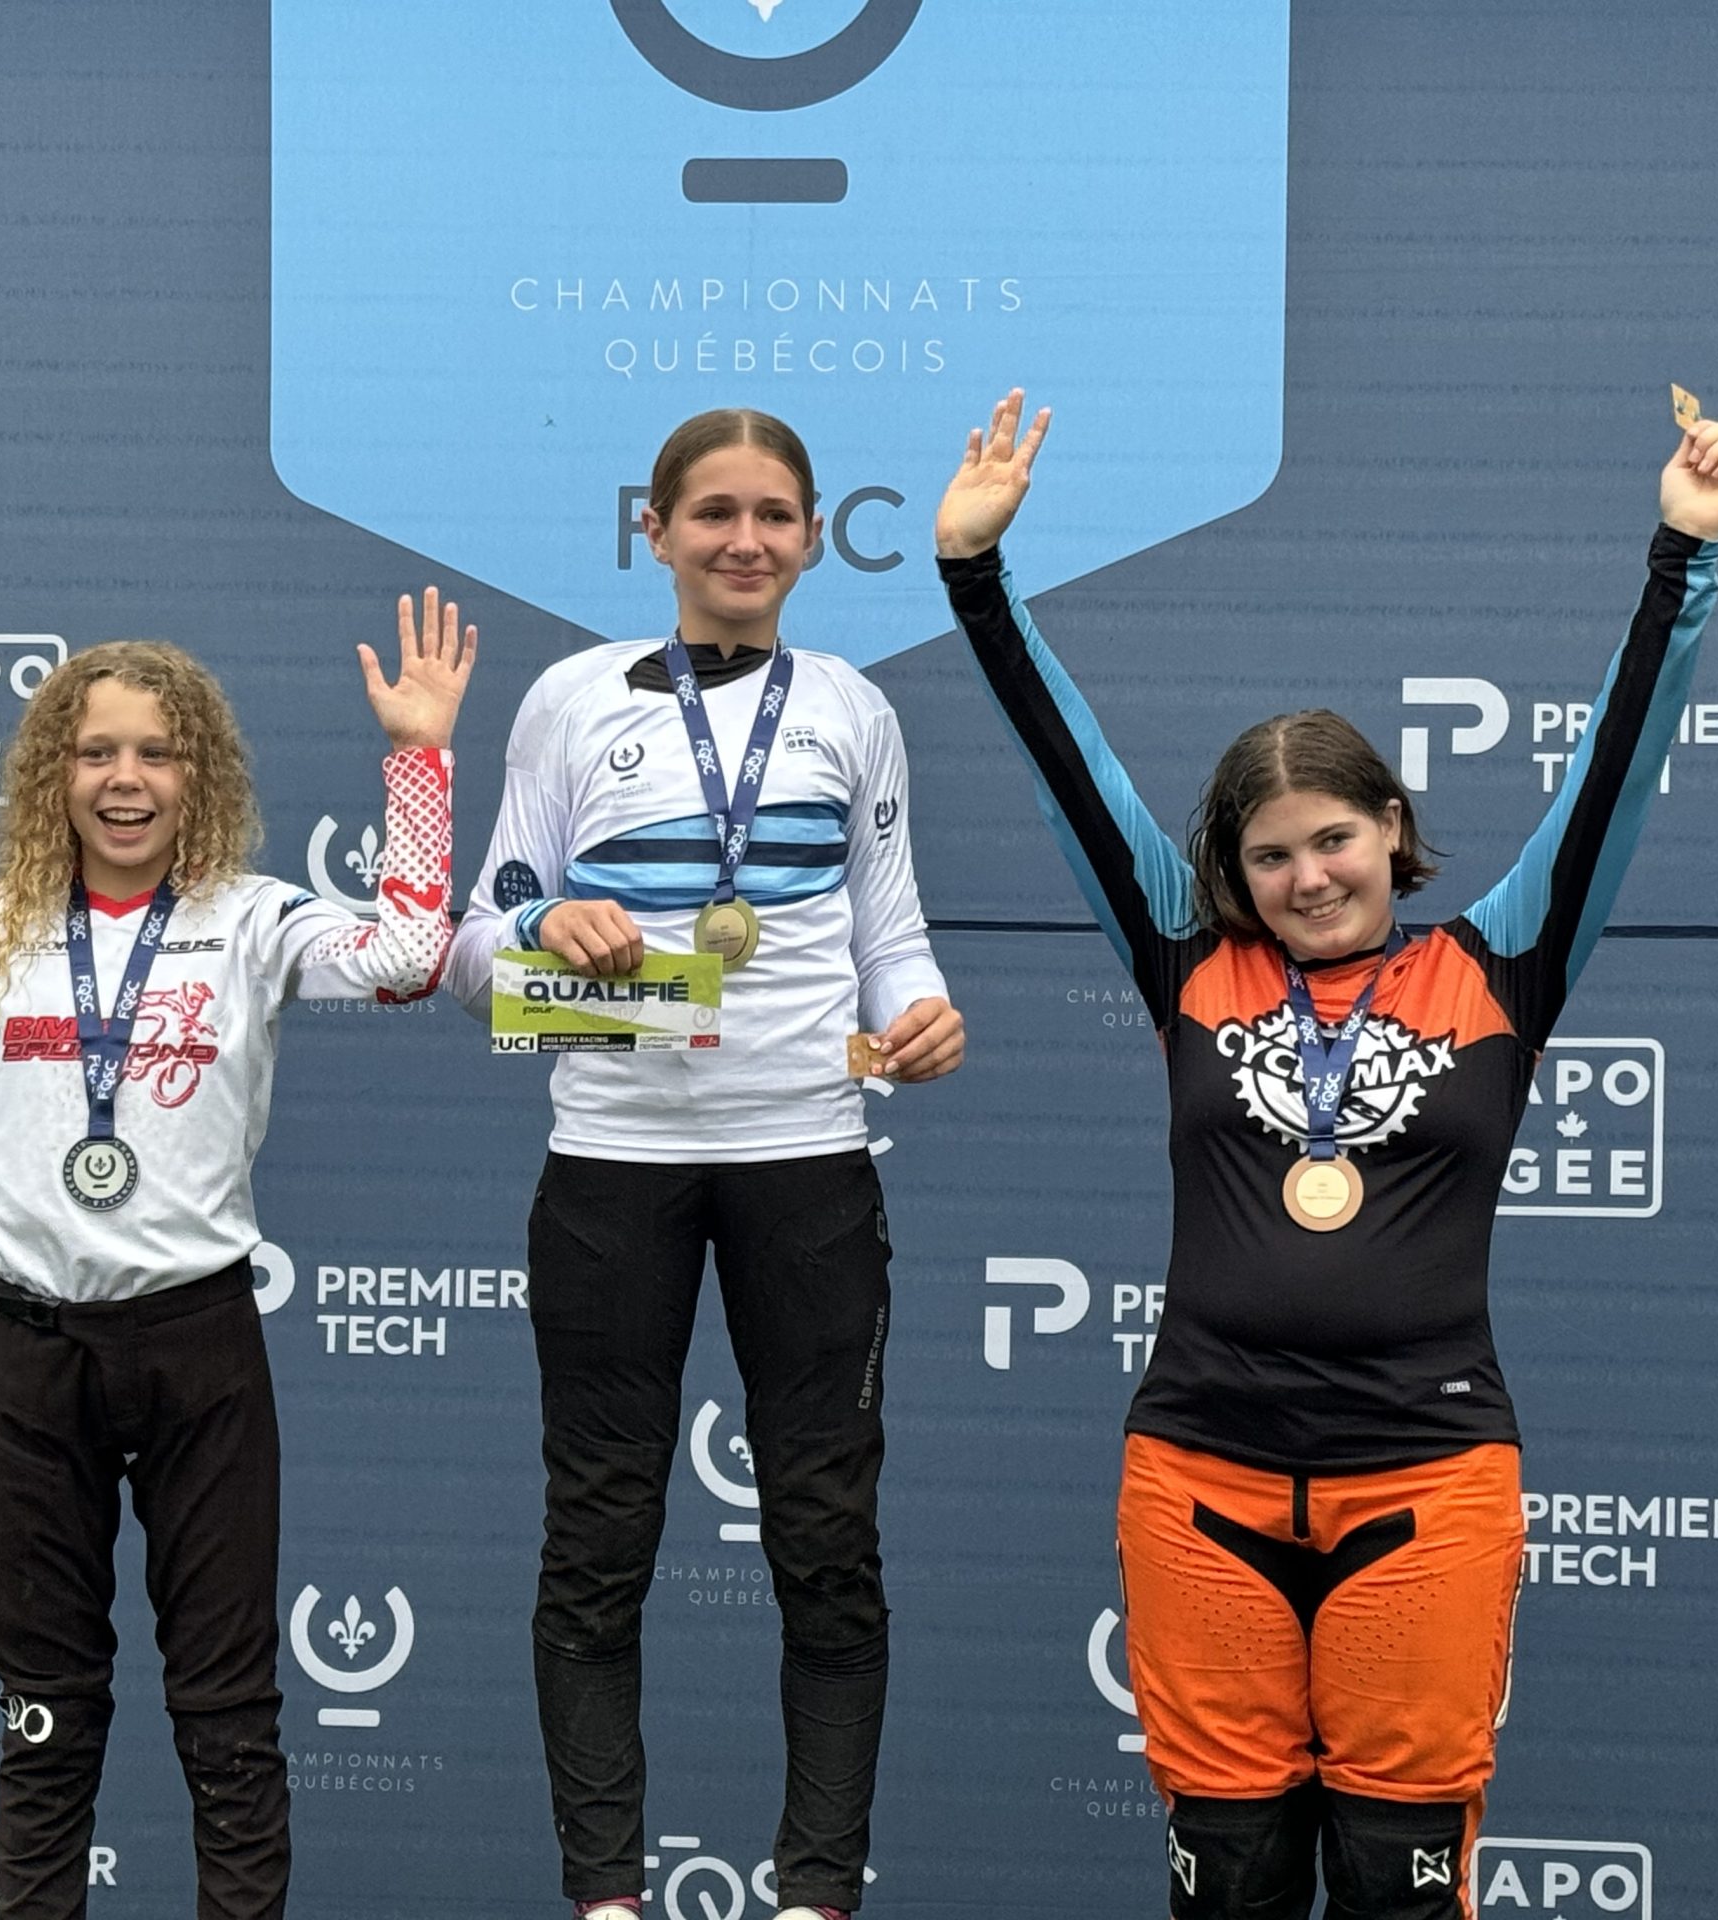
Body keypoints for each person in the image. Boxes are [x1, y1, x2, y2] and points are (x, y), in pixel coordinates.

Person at [933, 391, 1718, 1919]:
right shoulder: (1187, 961)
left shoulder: (1501, 964)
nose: (1307, 876)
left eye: (1334, 839)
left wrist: (1681, 556)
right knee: (1229, 1882)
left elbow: (1617, 770)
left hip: (1425, 1484)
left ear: (1392, 826)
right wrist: (977, 581)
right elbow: (1069, 766)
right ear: (1229, 872)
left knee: (1396, 1885)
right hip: (1201, 1478)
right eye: (1269, 853)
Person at [0, 591, 476, 1919]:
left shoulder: (252, 922)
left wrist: (418, 755)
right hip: (30, 1351)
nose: (125, 779)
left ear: (200, 775)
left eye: (157, 753)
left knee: (227, 1713)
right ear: (56, 773)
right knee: (44, 1712)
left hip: (199, 1349)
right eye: (97, 750)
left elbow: (408, 959)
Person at [443, 408, 963, 1920]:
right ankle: (606, 1899)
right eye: (716, 512)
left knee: (828, 1546)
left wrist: (919, 1018)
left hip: (810, 1164)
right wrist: (548, 927)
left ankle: (815, 1899)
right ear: (654, 530)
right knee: (598, 1546)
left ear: (813, 537)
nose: (747, 540)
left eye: (777, 515)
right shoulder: (569, 699)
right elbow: (476, 949)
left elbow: (891, 930)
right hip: (613, 1168)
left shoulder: (853, 707)